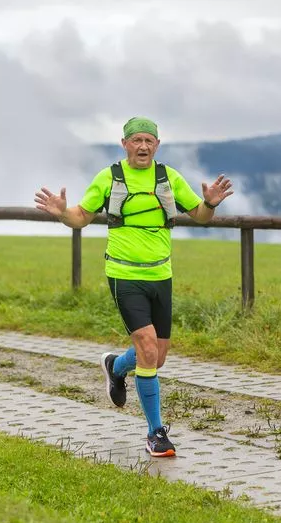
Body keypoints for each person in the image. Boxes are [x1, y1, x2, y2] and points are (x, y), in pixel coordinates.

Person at [34, 116, 234, 457]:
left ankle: (115, 366)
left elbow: (200, 216)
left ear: (157, 145)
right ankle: (156, 433)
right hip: (123, 273)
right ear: (124, 144)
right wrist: (62, 212)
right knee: (147, 346)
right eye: (136, 140)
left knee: (157, 357)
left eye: (149, 141)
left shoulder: (168, 177)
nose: (143, 146)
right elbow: (81, 218)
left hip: (161, 274)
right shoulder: (109, 178)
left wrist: (211, 203)